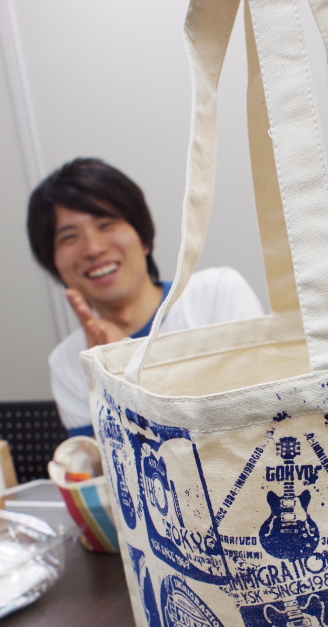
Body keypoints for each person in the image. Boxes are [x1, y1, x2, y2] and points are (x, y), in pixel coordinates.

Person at [27, 158, 264, 435]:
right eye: (69, 237)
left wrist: (127, 369)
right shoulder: (68, 361)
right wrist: (107, 379)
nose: (93, 248)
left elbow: (256, 425)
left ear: (144, 238)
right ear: (54, 264)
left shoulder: (216, 295)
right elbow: (99, 460)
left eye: (106, 224)